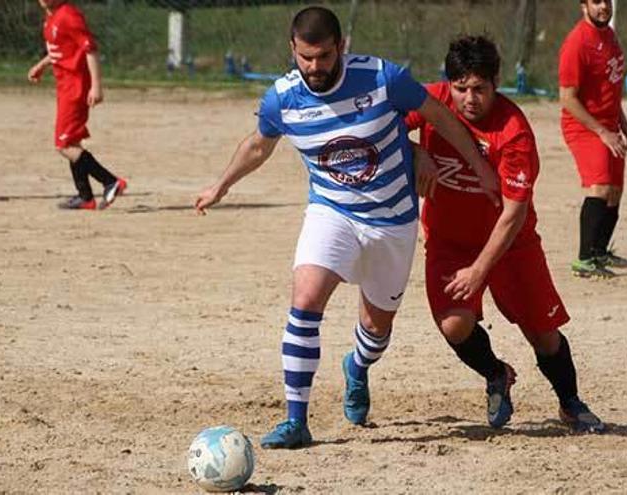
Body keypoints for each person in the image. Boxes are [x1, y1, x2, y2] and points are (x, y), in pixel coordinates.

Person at [194, 6, 498, 449]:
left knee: (377, 330)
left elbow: (438, 113)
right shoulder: (282, 98)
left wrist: (477, 165)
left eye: (322, 56)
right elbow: (259, 145)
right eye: (305, 58)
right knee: (305, 299)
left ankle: (357, 365)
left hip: (393, 222)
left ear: (340, 47)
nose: (314, 67)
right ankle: (296, 420)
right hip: (332, 213)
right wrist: (221, 184)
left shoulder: (382, 78)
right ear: (292, 51)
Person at [407, 35, 605, 434]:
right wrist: (416, 151)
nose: (469, 99)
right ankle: (496, 374)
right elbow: (381, 124)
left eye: (479, 88)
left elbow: (513, 214)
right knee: (454, 326)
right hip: (449, 241)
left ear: (497, 81)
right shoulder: (431, 101)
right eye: (461, 88)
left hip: (512, 245)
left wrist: (480, 270)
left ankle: (570, 403)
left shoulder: (514, 132)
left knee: (543, 336)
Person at [559, 0, 627, 279]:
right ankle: (584, 259)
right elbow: (567, 98)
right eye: (596, 1)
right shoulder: (577, 42)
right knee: (600, 187)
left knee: (615, 191)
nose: (603, 6)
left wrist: (623, 126)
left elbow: (609, 90)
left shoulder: (609, 35)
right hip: (584, 127)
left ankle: (599, 252)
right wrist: (602, 132)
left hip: (609, 125)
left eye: (606, 1)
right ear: (584, 5)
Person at [28, 0, 126, 210]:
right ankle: (85, 196)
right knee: (71, 141)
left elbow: (90, 49)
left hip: (75, 87)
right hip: (65, 86)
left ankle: (110, 181)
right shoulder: (51, 17)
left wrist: (96, 86)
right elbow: (63, 50)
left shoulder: (68, 15)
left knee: (63, 145)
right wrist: (41, 65)